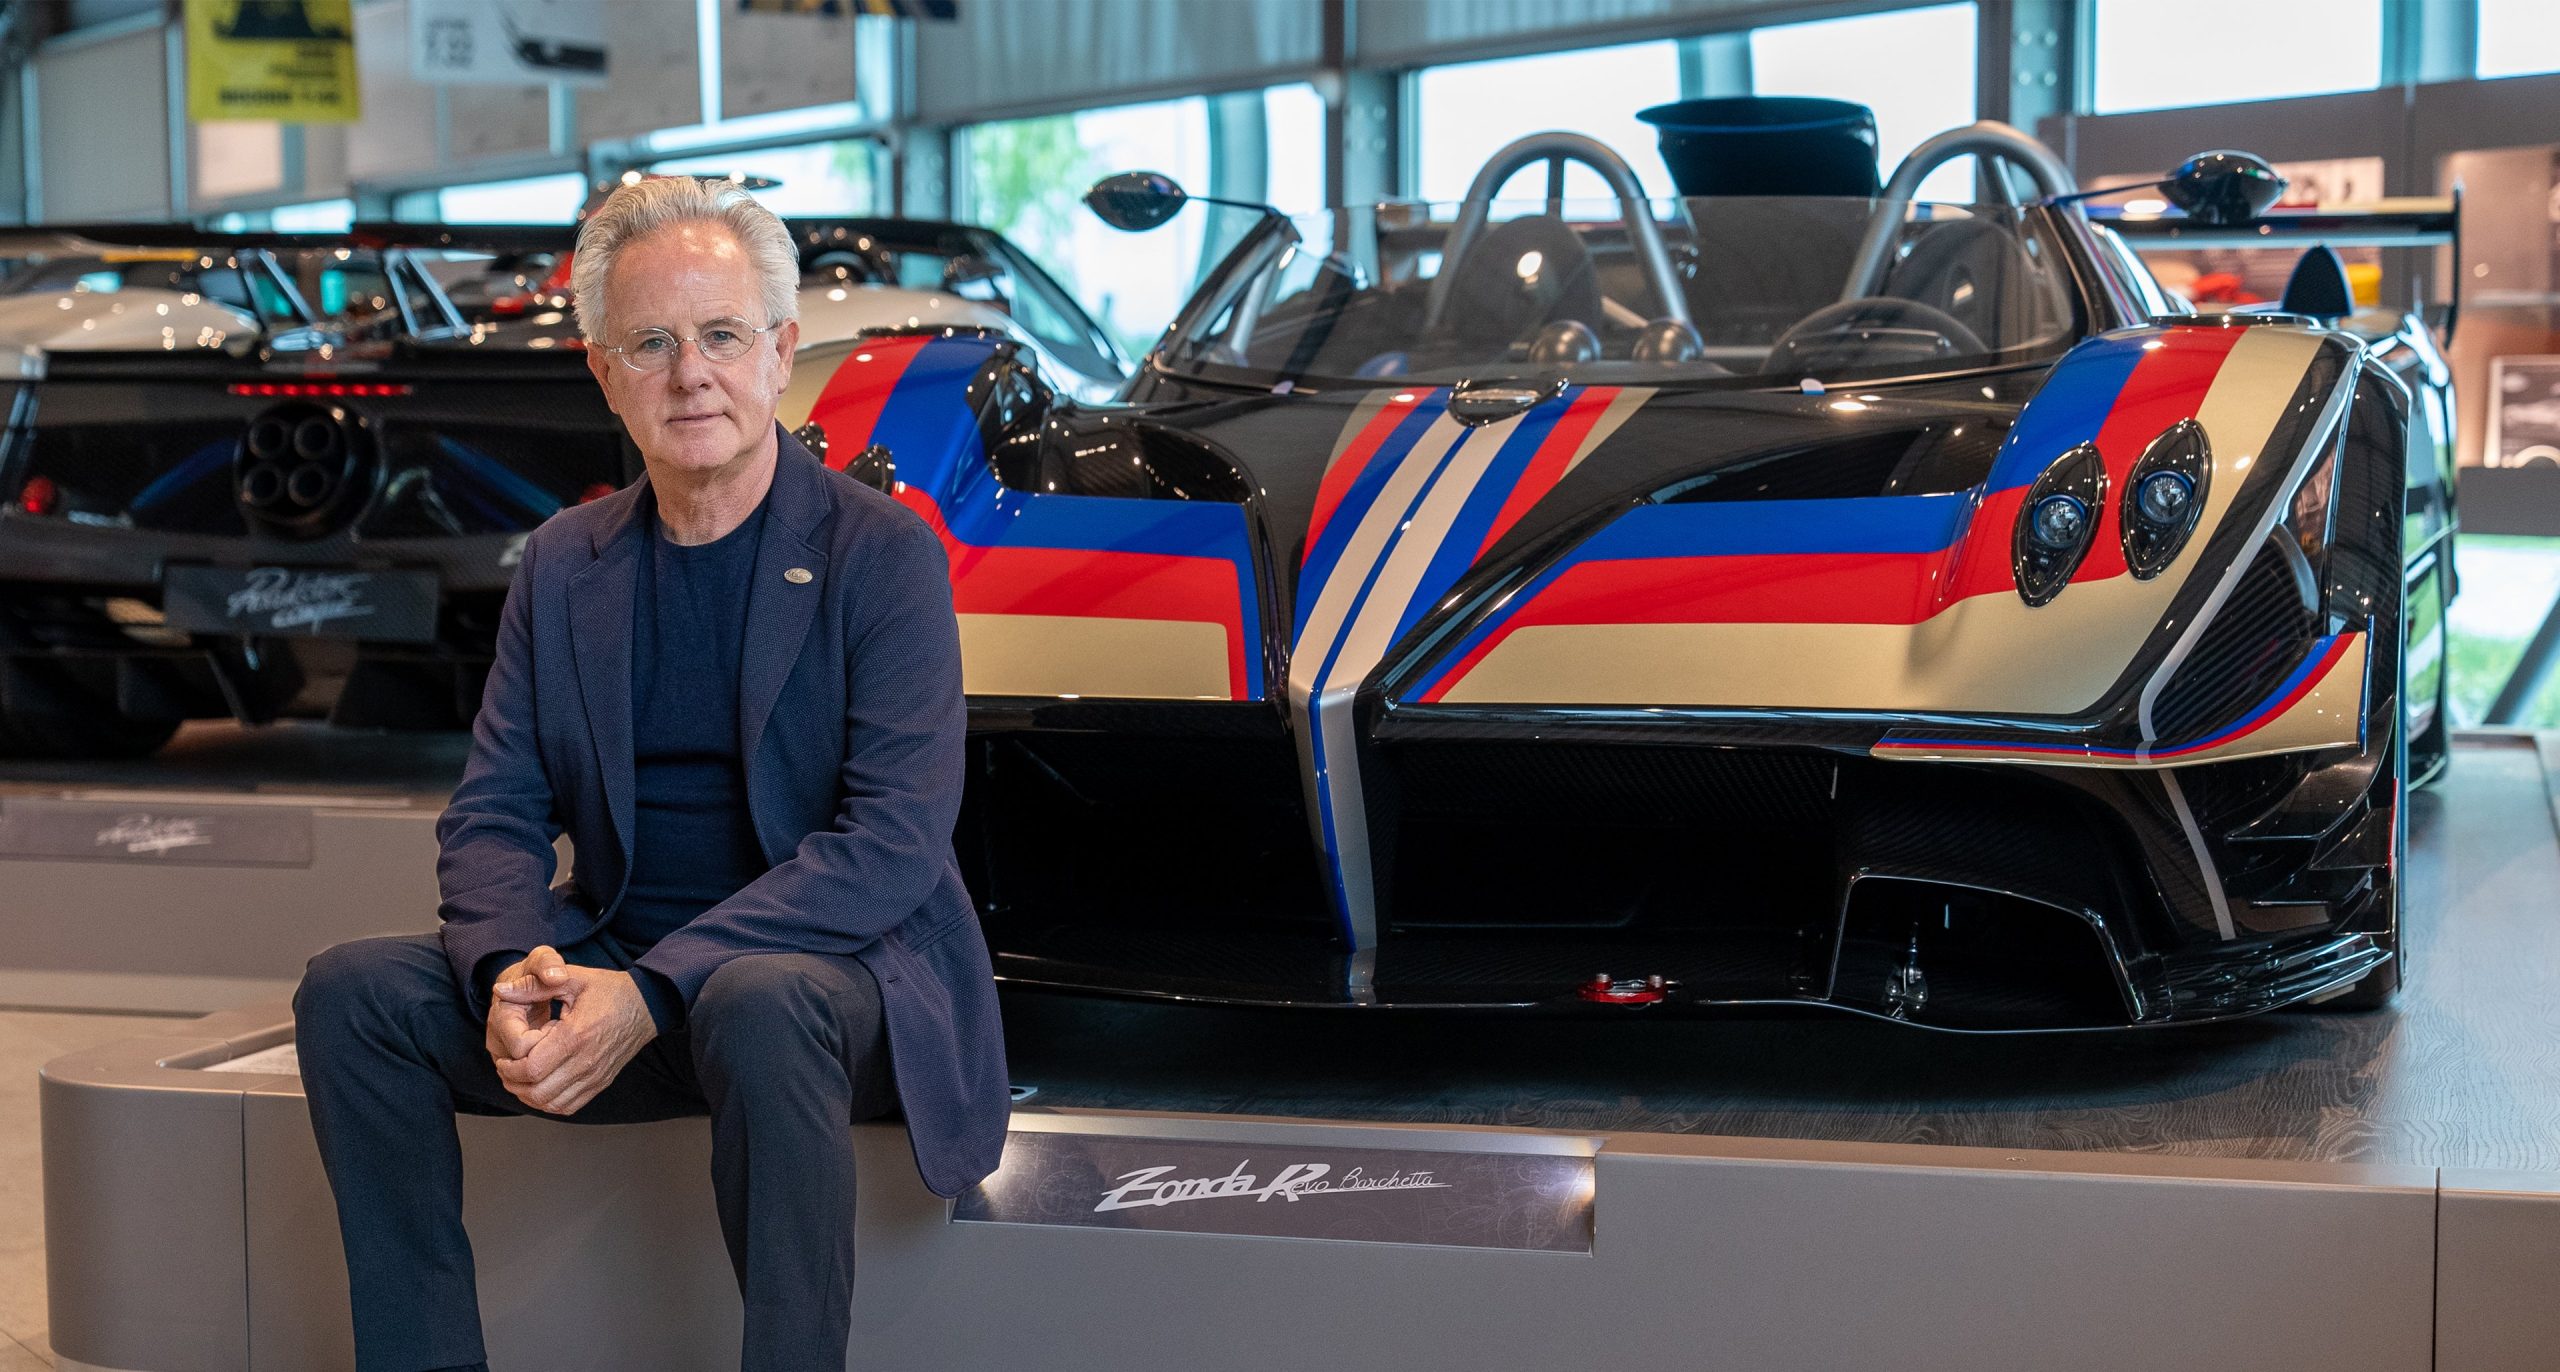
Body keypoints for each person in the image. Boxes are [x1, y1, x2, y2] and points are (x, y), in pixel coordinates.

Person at [293, 176, 1009, 1372]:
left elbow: (890, 846)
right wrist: (510, 966)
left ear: (779, 351)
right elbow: (496, 807)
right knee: (352, 993)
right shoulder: (564, 560)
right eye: (651, 344)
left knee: (758, 998)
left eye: (722, 335)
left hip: (833, 990)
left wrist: (656, 988)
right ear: (603, 373)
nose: (691, 376)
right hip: (615, 968)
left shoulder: (880, 554)